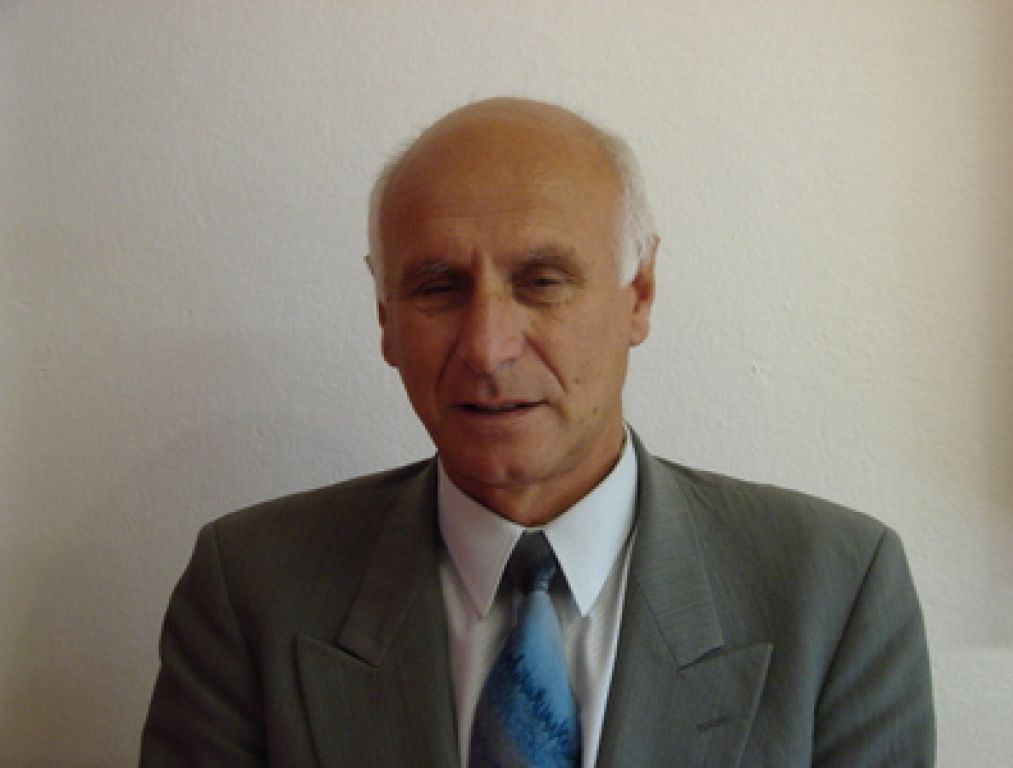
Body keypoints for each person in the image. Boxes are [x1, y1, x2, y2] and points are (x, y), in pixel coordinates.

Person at [141, 97, 935, 767]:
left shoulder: (835, 591)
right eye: (438, 287)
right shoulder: (251, 590)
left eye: (543, 281)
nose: (487, 348)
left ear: (640, 295)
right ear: (385, 319)